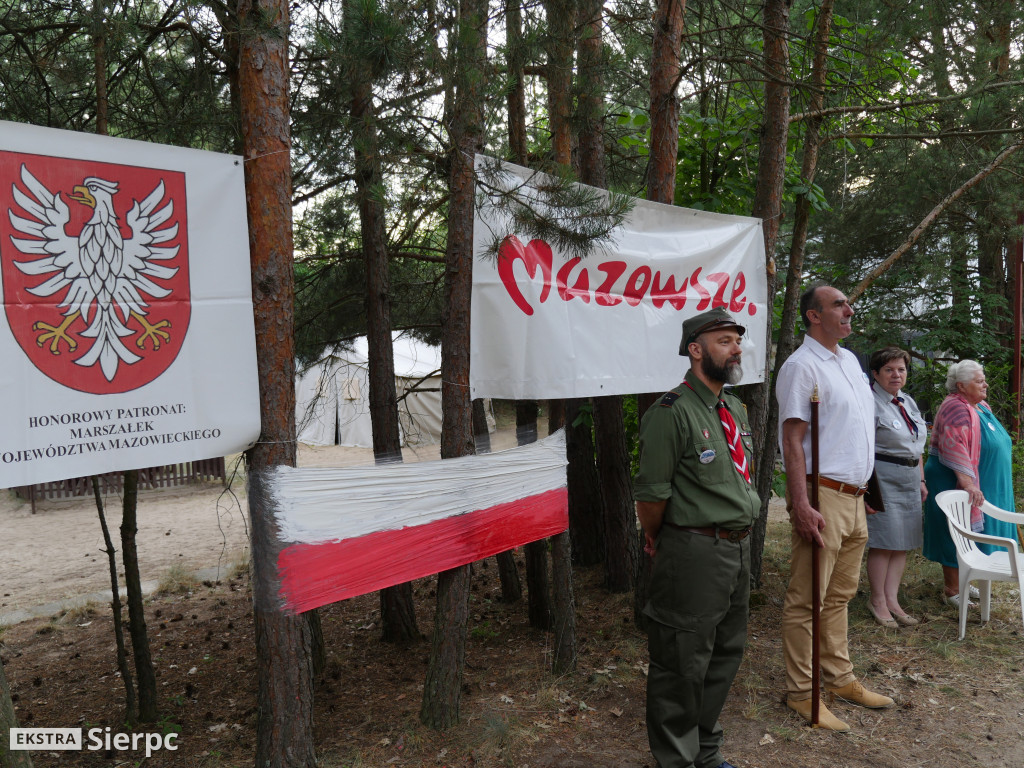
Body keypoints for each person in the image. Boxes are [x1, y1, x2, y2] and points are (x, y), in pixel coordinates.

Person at [633, 306, 760, 768]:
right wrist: (659, 538)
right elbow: (651, 496)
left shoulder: (734, 407)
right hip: (693, 551)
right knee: (682, 662)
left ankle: (706, 752)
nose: (735, 348)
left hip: (735, 549)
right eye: (724, 341)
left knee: (724, 654)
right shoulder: (671, 412)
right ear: (695, 350)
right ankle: (677, 760)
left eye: (736, 340)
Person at [776, 284, 894, 733]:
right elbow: (792, 439)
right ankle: (803, 694)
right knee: (808, 599)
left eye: (848, 304)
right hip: (822, 496)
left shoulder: (850, 361)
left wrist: (869, 491)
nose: (850, 309)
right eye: (839, 305)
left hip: (856, 497)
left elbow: (852, 431)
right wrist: (800, 503)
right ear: (813, 316)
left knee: (840, 596)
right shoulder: (801, 367)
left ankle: (839, 678)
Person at [922, 360, 1017, 606]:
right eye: (979, 380)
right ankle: (952, 590)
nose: (985, 383)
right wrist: (967, 483)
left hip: (973, 479)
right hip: (950, 478)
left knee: (968, 532)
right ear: (962, 385)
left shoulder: (980, 406)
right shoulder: (955, 406)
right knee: (953, 529)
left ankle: (966, 581)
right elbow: (954, 447)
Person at [865, 346, 928, 628]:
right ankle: (877, 600)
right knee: (884, 541)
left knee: (902, 542)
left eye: (901, 369)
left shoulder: (908, 402)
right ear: (875, 373)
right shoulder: (868, 401)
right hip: (882, 476)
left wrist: (922, 479)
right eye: (889, 369)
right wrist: (866, 487)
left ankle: (893, 600)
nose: (896, 375)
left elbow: (917, 445)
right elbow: (862, 447)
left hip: (910, 477)